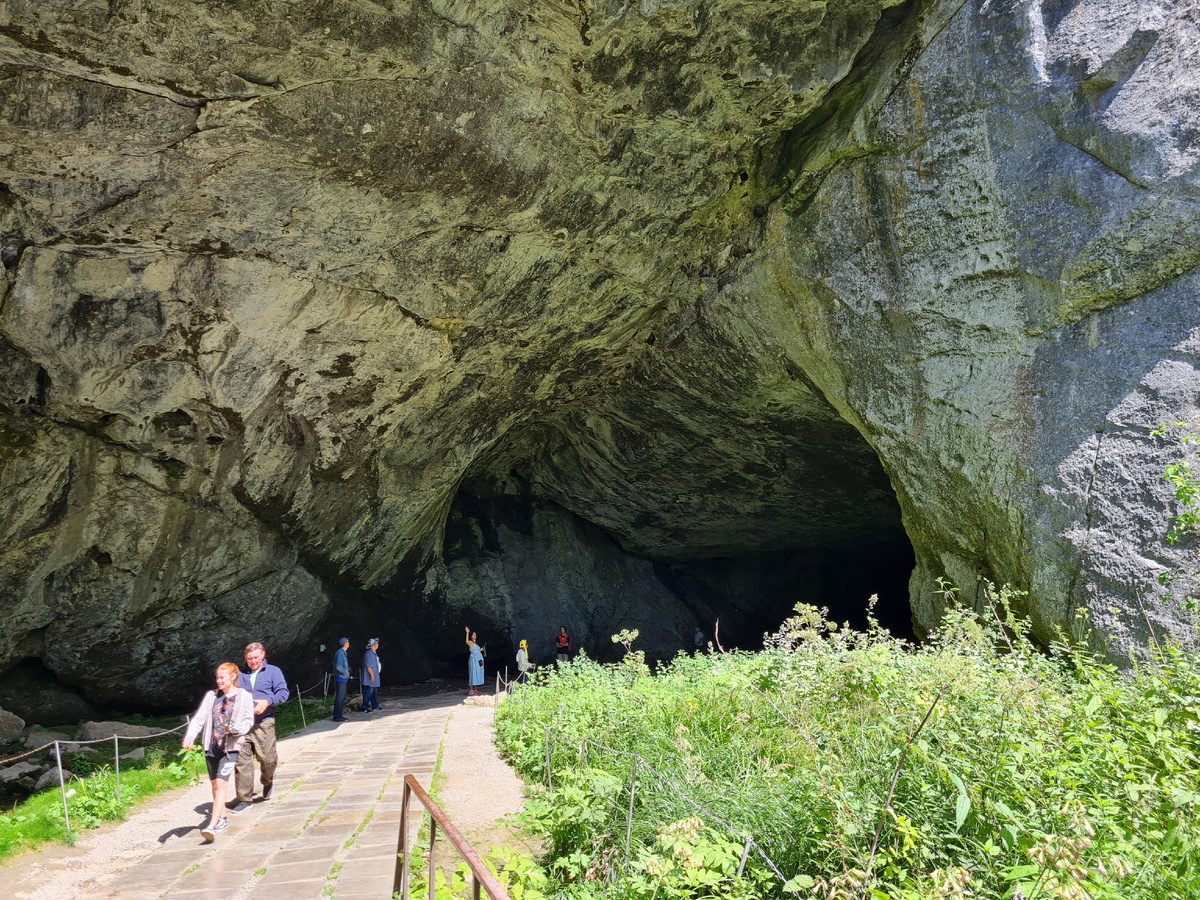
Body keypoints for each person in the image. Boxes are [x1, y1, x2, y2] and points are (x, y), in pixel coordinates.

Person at [183, 662, 254, 842]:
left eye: (222, 677)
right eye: (217, 677)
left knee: (222, 785)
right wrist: (190, 736)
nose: (218, 680)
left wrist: (237, 730)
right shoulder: (211, 696)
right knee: (215, 785)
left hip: (230, 748)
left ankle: (212, 825)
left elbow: (248, 720)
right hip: (211, 746)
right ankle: (222, 818)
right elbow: (200, 718)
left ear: (233, 677)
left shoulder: (243, 696)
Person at [230, 642, 289, 812]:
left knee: (268, 759)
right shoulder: (240, 675)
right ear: (245, 658)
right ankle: (244, 798)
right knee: (242, 762)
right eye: (249, 658)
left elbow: (283, 693)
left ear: (263, 654)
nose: (253, 661)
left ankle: (268, 780)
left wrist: (267, 701)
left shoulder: (273, 671)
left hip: (264, 722)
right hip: (242, 725)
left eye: (256, 657)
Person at [333, 637, 351, 721]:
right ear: (345, 643)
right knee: (340, 698)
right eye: (347, 642)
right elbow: (338, 666)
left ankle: (339, 714)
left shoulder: (343, 653)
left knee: (342, 697)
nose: (349, 643)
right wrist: (346, 672)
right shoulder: (340, 653)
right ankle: (337, 716)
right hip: (341, 678)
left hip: (343, 678)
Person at [362, 638, 381, 713]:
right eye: (376, 644)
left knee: (374, 692)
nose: (377, 645)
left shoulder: (373, 653)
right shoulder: (370, 654)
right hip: (370, 677)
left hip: (374, 676)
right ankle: (365, 707)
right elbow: (369, 666)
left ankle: (375, 706)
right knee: (368, 692)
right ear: (373, 645)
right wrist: (372, 675)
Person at [465, 627, 485, 696]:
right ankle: (471, 690)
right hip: (474, 660)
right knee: (473, 673)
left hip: (478, 660)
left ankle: (475, 689)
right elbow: (466, 641)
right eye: (473, 635)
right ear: (471, 636)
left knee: (477, 673)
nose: (475, 636)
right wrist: (467, 632)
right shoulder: (470, 642)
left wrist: (481, 649)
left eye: (475, 635)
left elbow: (476, 650)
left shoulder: (475, 644)